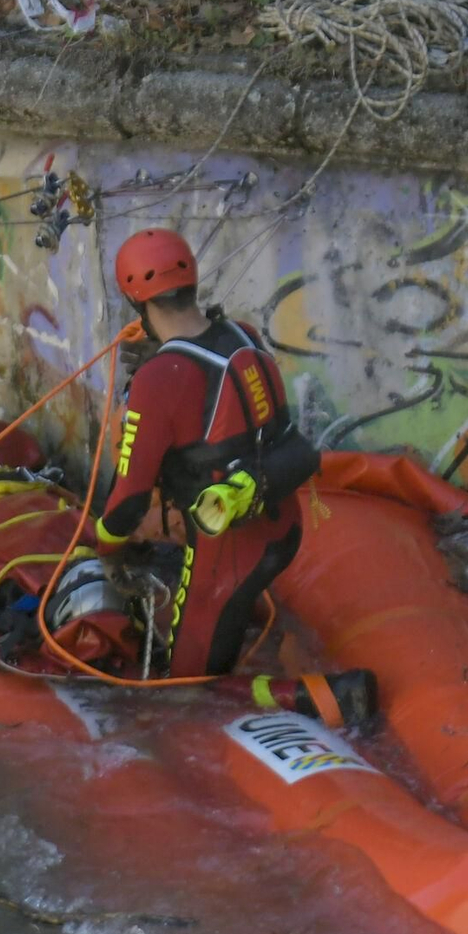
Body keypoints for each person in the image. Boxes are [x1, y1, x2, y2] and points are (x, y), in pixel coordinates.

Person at [91, 228, 377, 728]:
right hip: (280, 524)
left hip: (229, 552)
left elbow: (129, 501)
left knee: (184, 694)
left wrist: (105, 550)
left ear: (136, 301)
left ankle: (327, 697)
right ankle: (237, 644)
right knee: (217, 631)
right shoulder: (244, 333)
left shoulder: (159, 379)